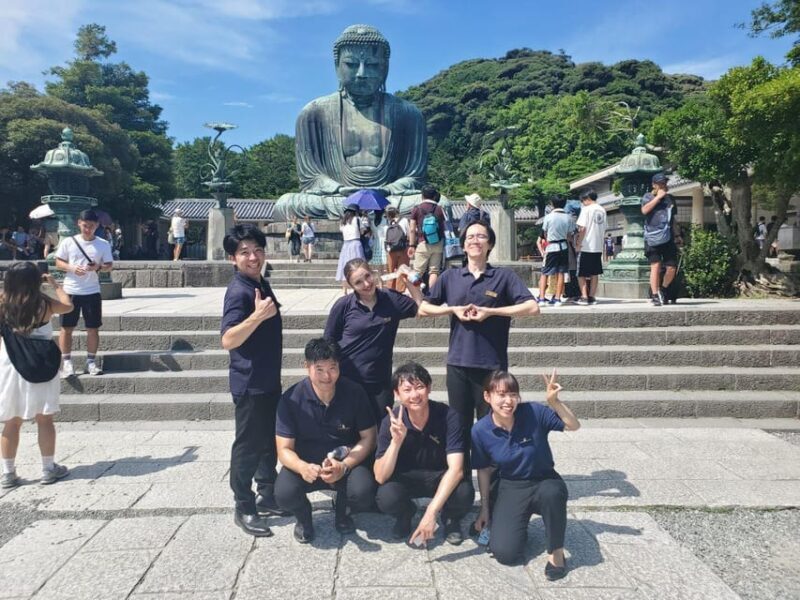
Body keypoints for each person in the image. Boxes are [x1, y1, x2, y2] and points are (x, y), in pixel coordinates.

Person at [274, 25, 427, 221]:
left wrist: (387, 189)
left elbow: (415, 177)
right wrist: (339, 189)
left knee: (436, 204)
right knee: (287, 204)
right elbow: (311, 178)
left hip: (389, 198)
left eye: (372, 65)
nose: (361, 73)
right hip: (338, 198)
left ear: (385, 67)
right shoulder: (314, 113)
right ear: (337, 66)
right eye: (351, 64)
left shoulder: (408, 114)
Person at [418, 220, 538, 468]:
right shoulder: (450, 276)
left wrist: (490, 312)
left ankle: (491, 486)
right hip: (459, 364)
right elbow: (424, 307)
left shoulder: (503, 276)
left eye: (481, 236)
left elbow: (532, 307)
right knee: (459, 426)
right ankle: (460, 484)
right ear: (463, 245)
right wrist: (452, 310)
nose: (475, 240)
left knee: (490, 426)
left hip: (491, 366)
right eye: (470, 237)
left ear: (490, 243)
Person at [472, 370, 580, 577]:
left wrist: (554, 402)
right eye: (501, 394)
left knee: (552, 493)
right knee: (504, 553)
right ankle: (516, 525)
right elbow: (484, 470)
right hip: (512, 486)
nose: (508, 401)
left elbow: (573, 425)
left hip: (544, 480)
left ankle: (556, 552)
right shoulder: (480, 430)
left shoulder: (533, 412)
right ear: (487, 397)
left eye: (513, 394)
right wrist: (484, 508)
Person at [275, 338, 377, 543]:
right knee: (284, 494)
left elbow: (369, 437)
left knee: (364, 490)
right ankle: (304, 518)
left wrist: (345, 466)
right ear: (307, 367)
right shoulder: (291, 398)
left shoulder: (354, 392)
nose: (327, 376)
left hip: (343, 458)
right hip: (306, 462)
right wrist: (302, 467)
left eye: (332, 368)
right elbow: (284, 449)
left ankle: (343, 510)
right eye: (319, 369)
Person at [221, 224, 287, 537]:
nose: (253, 257)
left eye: (258, 250)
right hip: (249, 382)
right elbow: (228, 339)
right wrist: (257, 316)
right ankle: (244, 505)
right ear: (232, 258)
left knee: (267, 443)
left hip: (267, 379)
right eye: (244, 252)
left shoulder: (259, 282)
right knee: (248, 445)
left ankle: (268, 493)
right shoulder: (238, 290)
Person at [374, 362, 474, 546]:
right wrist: (396, 442)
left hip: (440, 475)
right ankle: (405, 514)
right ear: (397, 394)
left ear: (429, 388)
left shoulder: (449, 417)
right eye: (407, 389)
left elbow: (457, 469)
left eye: (419, 387)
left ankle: (450, 518)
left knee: (464, 492)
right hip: (407, 478)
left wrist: (431, 512)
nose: (414, 395)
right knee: (386, 496)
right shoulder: (391, 422)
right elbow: (380, 476)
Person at [1, 262, 74, 489]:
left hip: (10, 361)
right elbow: (68, 306)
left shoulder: (3, 303)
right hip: (41, 362)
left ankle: (8, 473)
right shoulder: (44, 303)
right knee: (44, 418)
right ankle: (48, 468)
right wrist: (56, 285)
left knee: (12, 421)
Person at [324, 258, 423, 420]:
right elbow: (328, 341)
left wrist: (408, 278)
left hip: (380, 382)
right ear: (351, 285)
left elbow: (419, 307)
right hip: (348, 381)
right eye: (358, 282)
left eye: (367, 276)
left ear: (373, 273)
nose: (366, 284)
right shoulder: (343, 306)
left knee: (380, 430)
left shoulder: (390, 299)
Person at [54, 210, 114, 378]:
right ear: (79, 223)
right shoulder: (68, 242)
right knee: (66, 328)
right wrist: (72, 268)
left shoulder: (102, 244)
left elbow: (109, 265)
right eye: (85, 225)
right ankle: (66, 362)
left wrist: (99, 267)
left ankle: (90, 362)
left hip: (92, 290)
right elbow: (58, 262)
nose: (88, 229)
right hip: (71, 289)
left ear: (97, 226)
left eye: (92, 226)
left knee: (93, 328)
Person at [641, 173, 682, 306]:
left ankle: (663, 290)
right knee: (656, 266)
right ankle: (654, 294)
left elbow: (673, 219)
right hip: (652, 236)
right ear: (654, 185)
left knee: (671, 267)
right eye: (660, 183)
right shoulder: (647, 196)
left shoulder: (670, 199)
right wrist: (658, 198)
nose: (663, 185)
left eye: (664, 183)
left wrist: (678, 235)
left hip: (668, 236)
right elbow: (645, 210)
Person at [537, 196, 576, 307]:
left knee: (545, 272)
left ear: (552, 204)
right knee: (561, 272)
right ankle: (558, 298)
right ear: (564, 204)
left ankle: (541, 298)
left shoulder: (548, 217)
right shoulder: (569, 218)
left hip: (551, 247)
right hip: (563, 246)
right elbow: (570, 235)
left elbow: (544, 234)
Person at [408, 185, 446, 289]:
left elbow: (412, 229)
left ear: (422, 195)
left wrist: (411, 245)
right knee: (434, 271)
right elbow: (444, 227)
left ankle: (415, 295)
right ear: (434, 196)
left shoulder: (417, 209)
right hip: (438, 243)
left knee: (417, 272)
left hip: (422, 242)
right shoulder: (439, 209)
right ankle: (432, 295)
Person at [575, 188, 607, 306]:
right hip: (598, 246)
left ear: (587, 199)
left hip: (586, 245)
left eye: (583, 200)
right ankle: (592, 296)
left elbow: (582, 228)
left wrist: (578, 243)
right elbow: (604, 227)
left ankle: (584, 296)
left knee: (581, 273)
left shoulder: (586, 209)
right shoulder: (602, 210)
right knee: (595, 273)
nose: (582, 203)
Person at [335, 205, 366, 294]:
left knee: (344, 265)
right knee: (357, 265)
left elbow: (342, 231)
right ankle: (356, 286)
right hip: (355, 243)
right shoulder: (357, 219)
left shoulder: (342, 222)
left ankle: (344, 288)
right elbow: (362, 231)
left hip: (346, 244)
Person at [383, 206, 410, 292]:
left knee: (391, 270)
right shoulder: (404, 220)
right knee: (402, 270)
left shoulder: (386, 224)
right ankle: (400, 290)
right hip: (403, 249)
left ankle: (390, 289)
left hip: (391, 250)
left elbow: (385, 238)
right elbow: (409, 234)